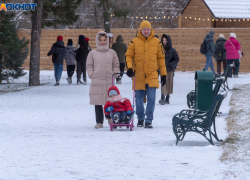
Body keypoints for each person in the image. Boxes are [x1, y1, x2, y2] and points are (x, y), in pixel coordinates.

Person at [125, 20, 167, 129]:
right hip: (138, 74)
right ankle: (140, 118)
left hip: (152, 74)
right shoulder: (134, 42)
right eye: (144, 29)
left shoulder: (157, 42)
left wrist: (163, 75)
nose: (146, 31)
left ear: (150, 30)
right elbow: (128, 56)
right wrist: (129, 68)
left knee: (151, 99)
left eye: (148, 29)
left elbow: (161, 59)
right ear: (141, 30)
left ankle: (149, 120)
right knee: (138, 99)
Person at [86, 31, 119, 129]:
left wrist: (115, 74)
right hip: (97, 80)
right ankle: (99, 121)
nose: (103, 42)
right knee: (98, 101)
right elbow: (89, 65)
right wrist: (91, 74)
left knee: (110, 100)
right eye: (101, 40)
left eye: (104, 40)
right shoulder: (92, 53)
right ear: (98, 40)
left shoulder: (112, 53)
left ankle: (109, 117)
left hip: (109, 79)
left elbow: (116, 64)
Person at [159, 34, 179, 105]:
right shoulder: (160, 49)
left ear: (168, 41)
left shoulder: (173, 50)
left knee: (169, 84)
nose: (164, 42)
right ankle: (162, 97)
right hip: (162, 69)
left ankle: (167, 97)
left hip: (170, 69)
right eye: (163, 40)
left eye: (165, 40)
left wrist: (171, 64)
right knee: (163, 83)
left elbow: (177, 59)